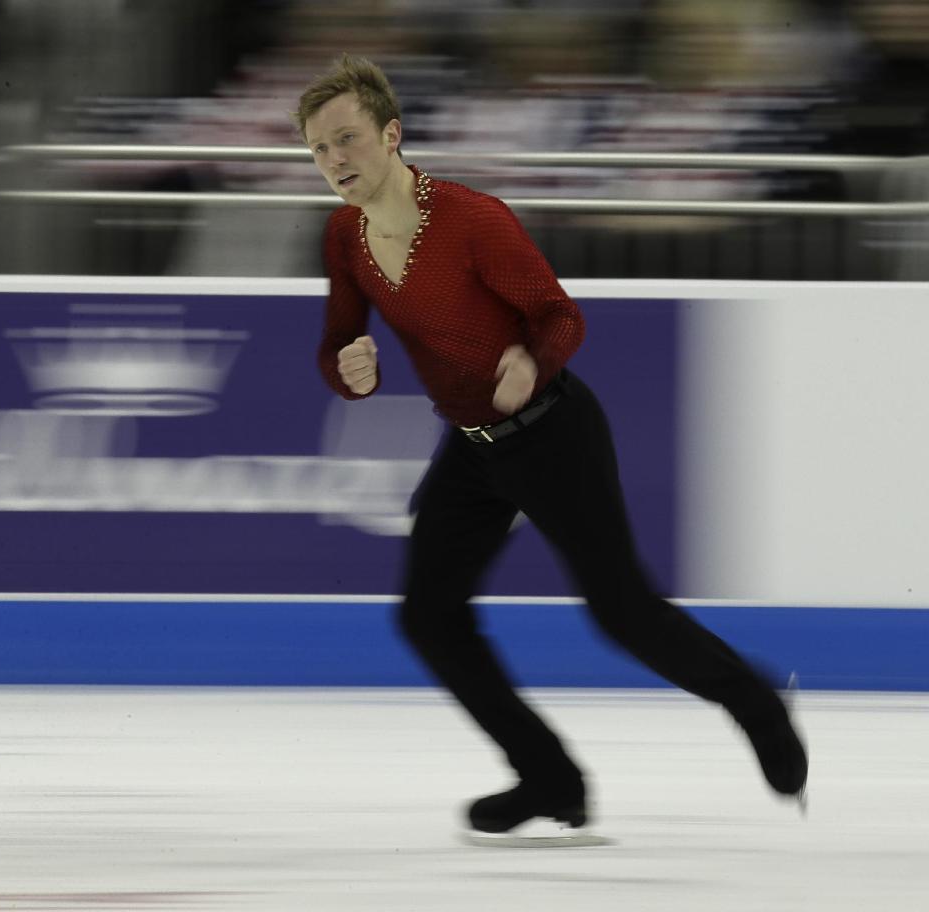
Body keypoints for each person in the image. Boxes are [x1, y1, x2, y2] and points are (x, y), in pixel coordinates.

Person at [295, 54, 808, 841]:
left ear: (391, 135)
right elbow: (339, 346)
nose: (335, 161)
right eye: (319, 149)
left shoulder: (472, 220)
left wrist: (530, 360)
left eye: (347, 139)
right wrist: (348, 369)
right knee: (429, 616)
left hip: (552, 431)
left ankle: (755, 701)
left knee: (623, 612)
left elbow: (562, 317)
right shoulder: (345, 238)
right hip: (473, 448)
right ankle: (549, 778)